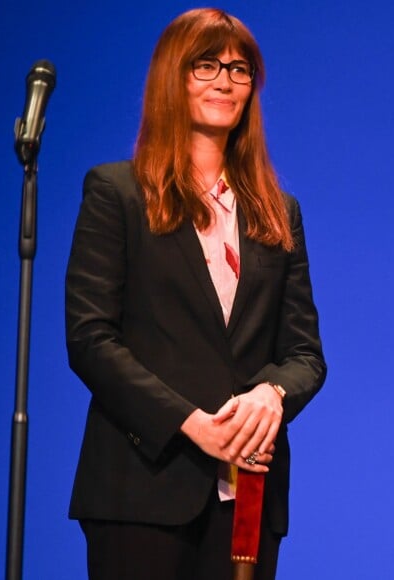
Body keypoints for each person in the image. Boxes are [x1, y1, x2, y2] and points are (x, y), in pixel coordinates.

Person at [65, 7, 326, 580]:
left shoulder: (279, 212)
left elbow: (306, 355)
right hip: (142, 487)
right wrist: (191, 423)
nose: (225, 81)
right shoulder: (117, 192)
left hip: (247, 498)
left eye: (238, 69)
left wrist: (272, 395)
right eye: (205, 65)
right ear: (172, 77)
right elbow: (90, 339)